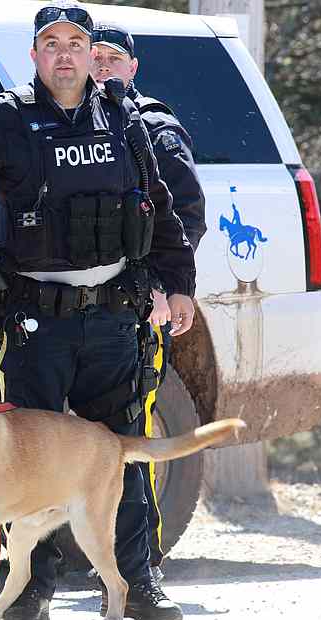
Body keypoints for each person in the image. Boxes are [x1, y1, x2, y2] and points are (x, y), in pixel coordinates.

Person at [0, 0, 196, 620]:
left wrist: (178, 283)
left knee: (122, 449)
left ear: (94, 54)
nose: (65, 54)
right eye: (51, 43)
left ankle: (137, 581)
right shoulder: (8, 120)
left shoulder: (123, 116)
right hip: (35, 316)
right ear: (35, 55)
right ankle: (31, 589)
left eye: (76, 42)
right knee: (26, 459)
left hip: (113, 315)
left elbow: (160, 205)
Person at [90, 22, 207, 578]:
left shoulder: (153, 129)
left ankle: (142, 563)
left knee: (135, 431)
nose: (102, 67)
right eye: (95, 57)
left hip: (143, 304)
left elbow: (183, 216)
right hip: (90, 303)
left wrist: (167, 287)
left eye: (114, 58)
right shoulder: (77, 126)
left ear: (133, 68)